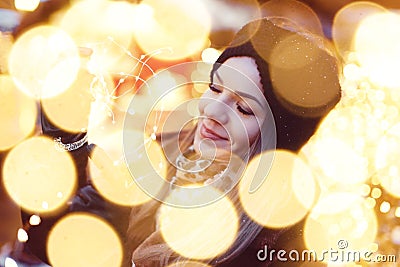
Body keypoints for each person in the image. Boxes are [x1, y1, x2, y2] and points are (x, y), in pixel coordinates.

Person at [123, 16, 342, 267]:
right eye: (215, 88)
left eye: (243, 108)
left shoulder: (283, 246)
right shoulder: (151, 156)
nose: (213, 111)